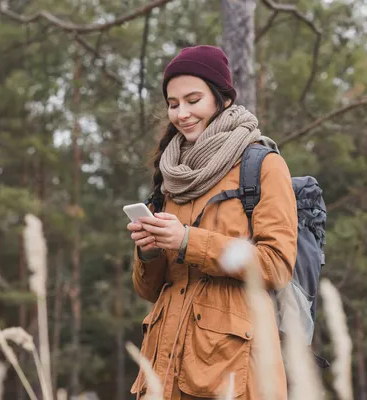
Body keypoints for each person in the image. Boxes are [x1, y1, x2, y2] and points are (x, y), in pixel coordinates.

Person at [127, 45, 298, 400]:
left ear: (221, 98)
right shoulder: (171, 175)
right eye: (173, 104)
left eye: (193, 100)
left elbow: (276, 266)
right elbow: (149, 291)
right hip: (163, 375)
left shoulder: (263, 165)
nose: (182, 113)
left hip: (233, 375)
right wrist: (149, 253)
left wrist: (189, 241)